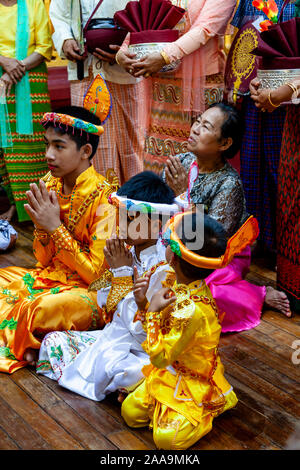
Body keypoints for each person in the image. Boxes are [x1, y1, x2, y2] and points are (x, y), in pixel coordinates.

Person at [37, 171, 182, 402]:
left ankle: (139, 385)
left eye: (131, 219)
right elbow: (107, 308)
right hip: (114, 337)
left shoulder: (163, 267)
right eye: (121, 217)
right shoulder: (128, 252)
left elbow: (141, 330)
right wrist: (117, 269)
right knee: (52, 342)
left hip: (143, 348)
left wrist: (123, 273)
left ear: (156, 224)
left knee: (121, 371)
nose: (121, 225)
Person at [0, 104, 117, 373]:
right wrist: (42, 228)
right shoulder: (49, 184)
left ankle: (31, 340)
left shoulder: (106, 200)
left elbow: (97, 277)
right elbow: (42, 260)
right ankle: (32, 343)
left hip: (88, 293)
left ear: (85, 151)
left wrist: (55, 228)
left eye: (59, 146)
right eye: (47, 145)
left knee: (38, 308)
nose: (48, 155)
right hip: (50, 277)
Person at [162, 102, 291, 332]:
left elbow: (208, 242)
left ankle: (258, 294)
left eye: (206, 126)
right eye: (198, 121)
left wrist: (183, 196)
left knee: (201, 292)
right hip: (177, 245)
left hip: (219, 258)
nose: (195, 129)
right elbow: (161, 209)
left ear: (224, 143)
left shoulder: (229, 183)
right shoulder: (181, 162)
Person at [121, 211, 238, 450]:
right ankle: (166, 410)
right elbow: (163, 338)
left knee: (167, 441)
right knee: (130, 413)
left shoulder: (192, 310)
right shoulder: (175, 280)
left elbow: (161, 357)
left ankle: (212, 405)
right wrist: (144, 304)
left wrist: (152, 312)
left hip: (191, 379)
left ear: (173, 256)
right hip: (170, 370)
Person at [116, 0, 237, 173]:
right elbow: (144, 19)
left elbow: (205, 28)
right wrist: (122, 52)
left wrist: (164, 56)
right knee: (159, 159)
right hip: (161, 84)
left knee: (196, 157)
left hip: (201, 84)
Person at [49, 0, 147, 185]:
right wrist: (65, 40)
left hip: (127, 72)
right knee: (89, 143)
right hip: (85, 70)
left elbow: (146, 17)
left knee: (133, 145)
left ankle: (135, 206)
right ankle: (98, 208)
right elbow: (58, 14)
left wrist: (126, 50)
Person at [228, 0, 295, 263]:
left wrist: (281, 92)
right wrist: (235, 81)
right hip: (257, 92)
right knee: (255, 168)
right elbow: (242, 40)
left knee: (285, 175)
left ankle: (287, 251)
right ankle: (261, 245)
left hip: (292, 103)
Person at [250, 73, 300, 314]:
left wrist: (287, 89)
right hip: (294, 116)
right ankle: (293, 287)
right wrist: (267, 80)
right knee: (291, 194)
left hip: (290, 98)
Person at [0, 0, 52, 222]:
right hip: (1, 76)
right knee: (5, 145)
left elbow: (45, 46)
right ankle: (15, 205)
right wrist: (4, 63)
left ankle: (36, 206)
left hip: (31, 78)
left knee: (34, 144)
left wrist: (17, 67)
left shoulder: (33, 3)